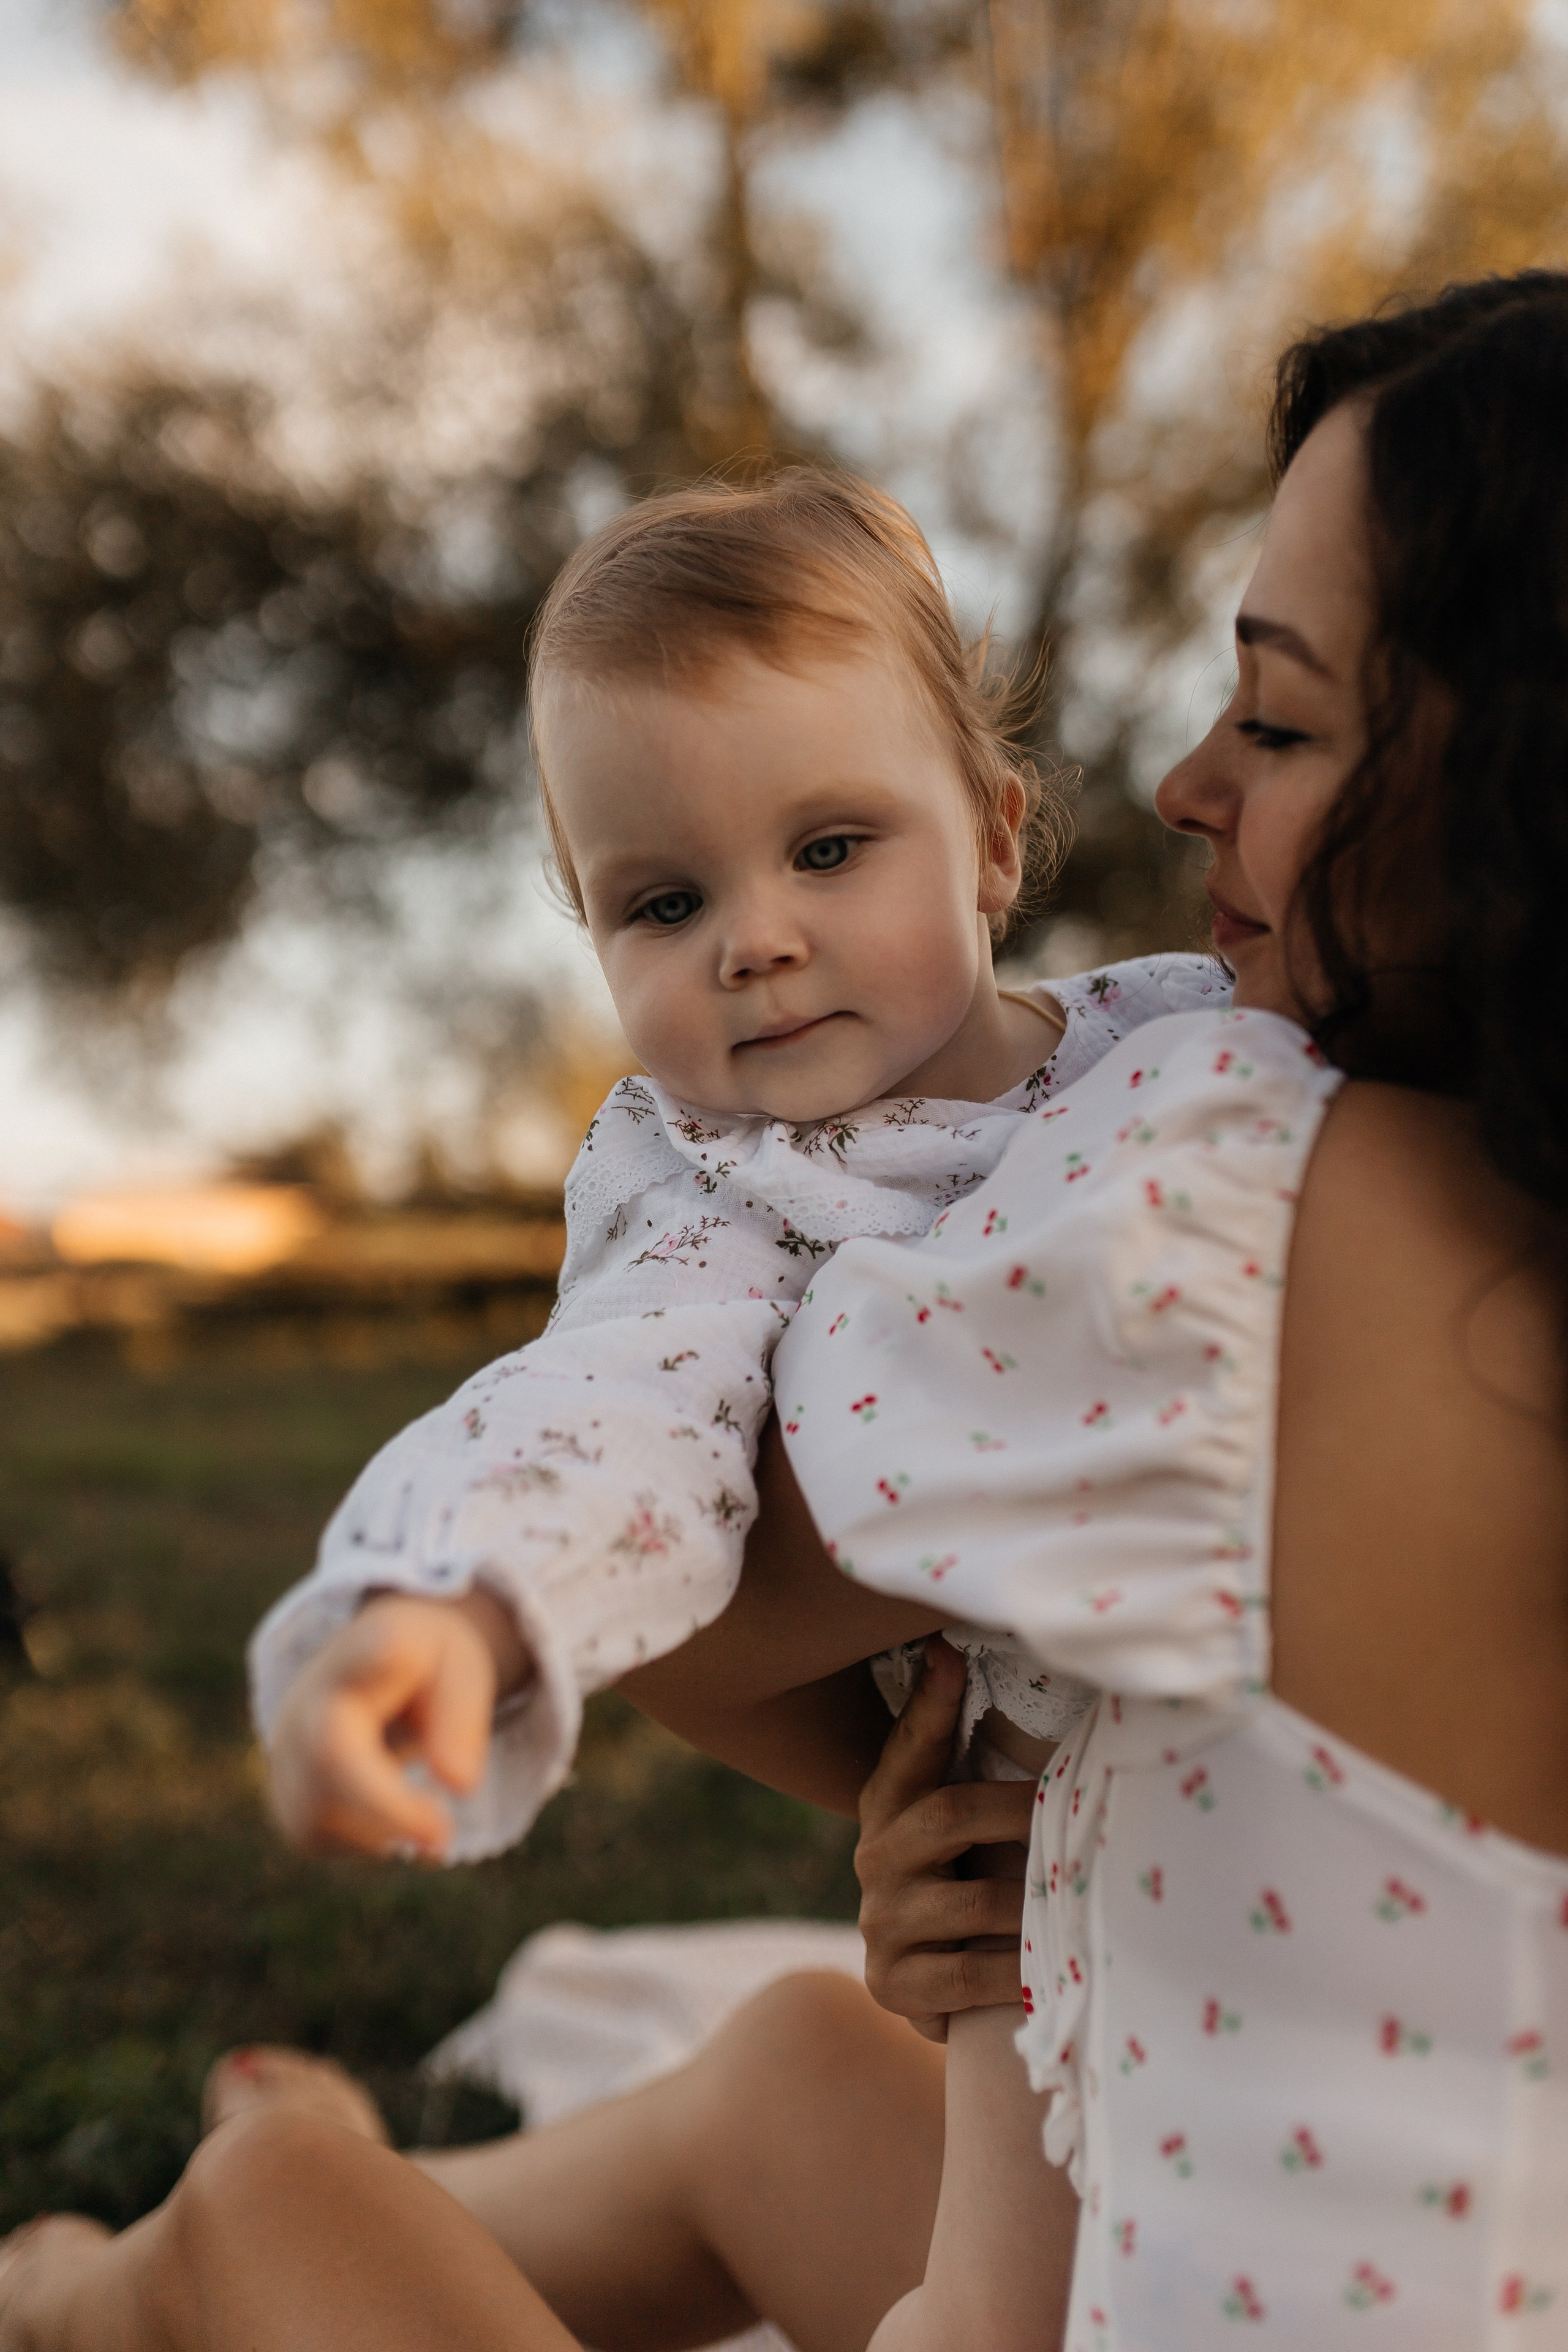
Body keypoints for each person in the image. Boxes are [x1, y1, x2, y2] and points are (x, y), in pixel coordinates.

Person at [7, 265, 1568, 2350]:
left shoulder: (1228, 1218)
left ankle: (84, 2293)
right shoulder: (1409, 1160)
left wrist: (500, 1621)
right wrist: (1060, 1854)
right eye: (664, 901)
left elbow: (667, 1491)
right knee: (785, 2071)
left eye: (1277, 719)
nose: (1186, 784)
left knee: (276, 2208)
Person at [247, 469, 1224, 1864]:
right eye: (666, 903)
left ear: (994, 844)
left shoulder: (1179, 1024)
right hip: (1072, 1836)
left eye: (827, 849)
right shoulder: (721, 1189)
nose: (753, 942)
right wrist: (453, 1603)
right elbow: (612, 1399)